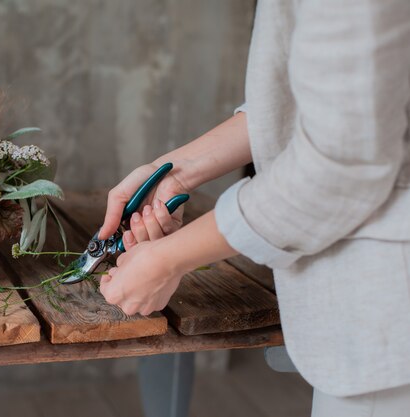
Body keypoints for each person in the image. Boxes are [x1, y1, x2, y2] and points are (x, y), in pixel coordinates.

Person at [97, 1, 410, 415]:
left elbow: (339, 166)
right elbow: (322, 103)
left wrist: (167, 260)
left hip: (388, 319)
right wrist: (172, 172)